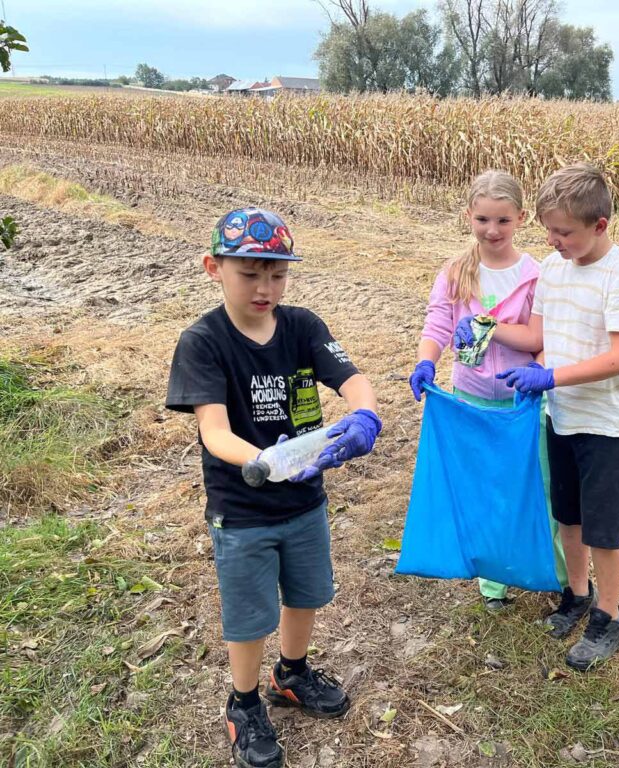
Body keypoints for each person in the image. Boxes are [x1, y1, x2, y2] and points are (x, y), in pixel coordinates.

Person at [165, 208, 382, 768]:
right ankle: (242, 703)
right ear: (214, 268)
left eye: (277, 275)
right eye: (250, 273)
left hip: (305, 499)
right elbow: (214, 432)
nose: (266, 288)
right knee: (249, 612)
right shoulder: (203, 341)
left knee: (306, 592)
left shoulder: (303, 327)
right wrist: (267, 460)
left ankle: (291, 672)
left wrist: (364, 416)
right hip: (244, 509)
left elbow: (352, 378)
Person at [493, 164, 619, 670]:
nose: (554, 241)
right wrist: (523, 363)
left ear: (600, 225)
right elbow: (544, 341)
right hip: (562, 416)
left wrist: (553, 378)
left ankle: (610, 614)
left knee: (603, 528)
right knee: (570, 517)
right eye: (549, 230)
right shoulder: (553, 270)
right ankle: (577, 595)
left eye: (565, 232)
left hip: (606, 423)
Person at [408, 169, 568, 610]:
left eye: (502, 220)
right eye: (482, 220)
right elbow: (438, 323)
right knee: (485, 489)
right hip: (471, 399)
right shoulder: (457, 272)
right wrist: (427, 359)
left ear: (520, 218)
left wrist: (531, 367)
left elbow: (542, 339)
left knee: (537, 488)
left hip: (523, 405)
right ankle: (494, 581)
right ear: (468, 217)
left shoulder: (536, 275)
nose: (492, 230)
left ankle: (556, 576)